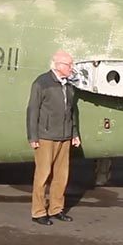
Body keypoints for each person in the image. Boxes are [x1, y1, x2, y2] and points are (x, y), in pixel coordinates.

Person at [26, 50, 81, 226]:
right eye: (69, 65)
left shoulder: (69, 85)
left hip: (64, 137)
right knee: (43, 175)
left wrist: (75, 133)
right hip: (45, 136)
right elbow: (32, 110)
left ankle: (56, 209)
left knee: (61, 176)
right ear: (58, 65)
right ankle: (38, 212)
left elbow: (72, 112)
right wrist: (33, 136)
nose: (72, 68)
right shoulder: (41, 83)